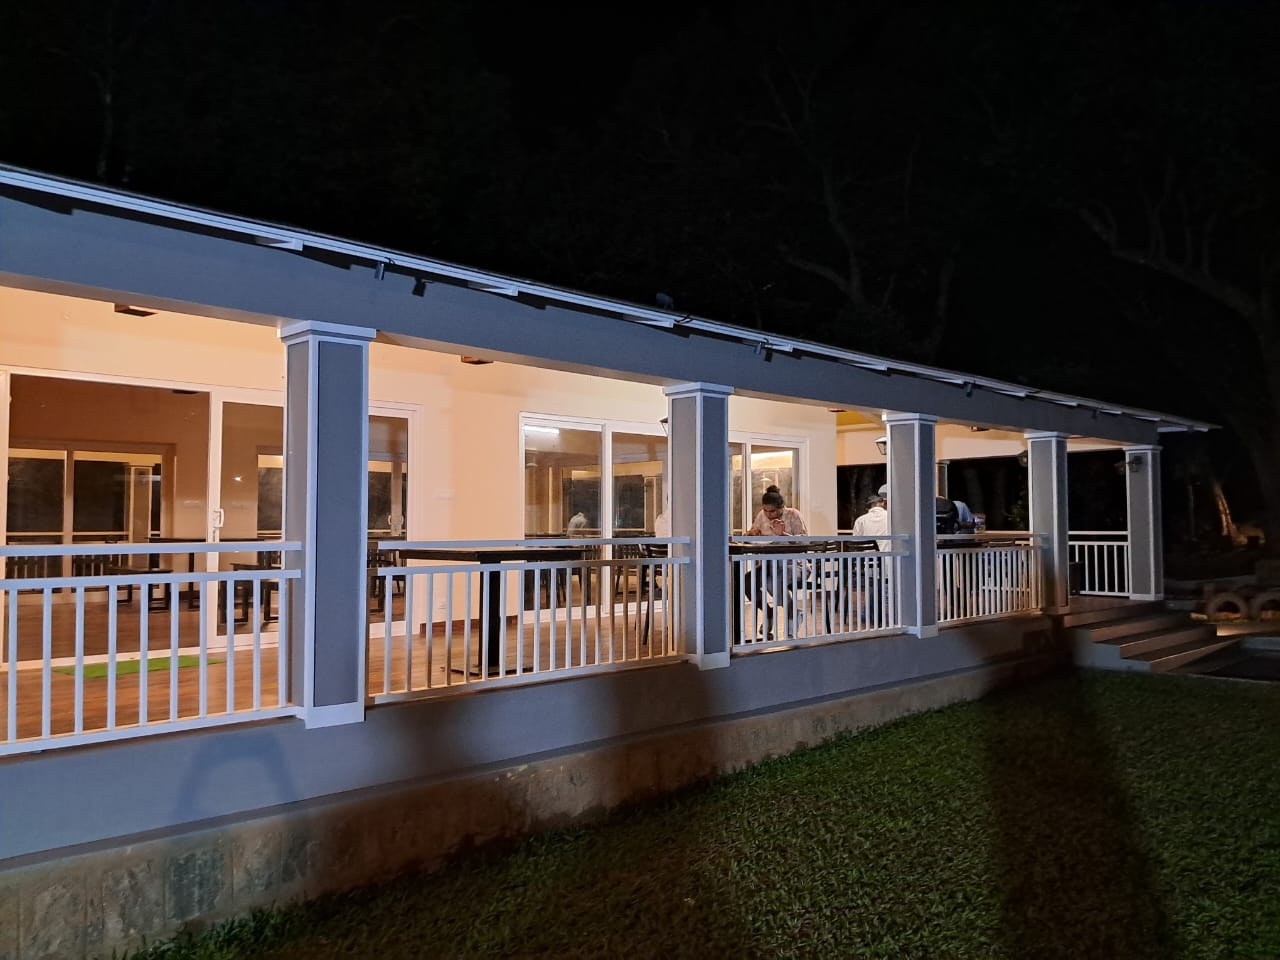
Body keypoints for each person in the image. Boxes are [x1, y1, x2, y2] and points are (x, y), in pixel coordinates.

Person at [744, 486, 808, 641]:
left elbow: (805, 541)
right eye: (765, 510)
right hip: (768, 563)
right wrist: (751, 533)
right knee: (748, 581)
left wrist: (783, 534)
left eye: (772, 511)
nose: (768, 514)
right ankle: (770, 612)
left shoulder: (793, 514)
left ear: (781, 508)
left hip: (793, 563)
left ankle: (792, 617)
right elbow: (752, 532)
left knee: (773, 581)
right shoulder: (762, 516)